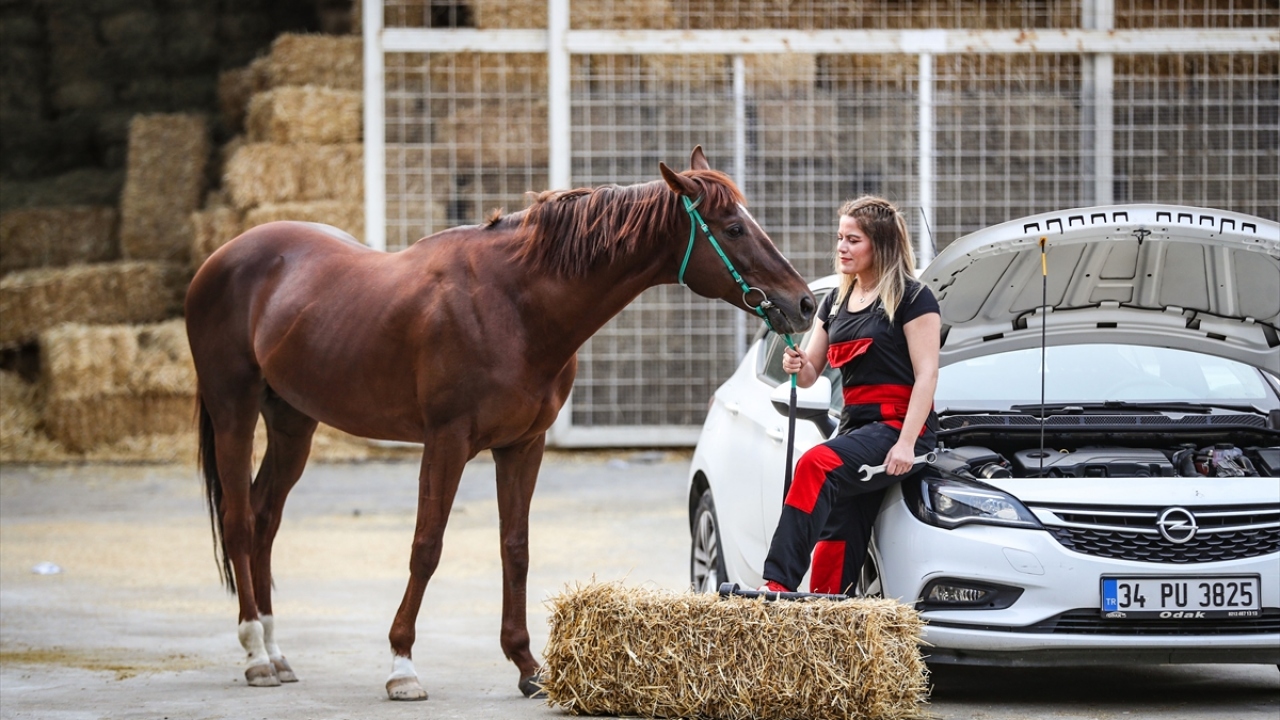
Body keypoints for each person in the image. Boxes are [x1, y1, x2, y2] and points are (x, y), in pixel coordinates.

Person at [760, 195, 941, 596]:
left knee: (816, 464)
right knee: (839, 529)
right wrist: (797, 364)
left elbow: (927, 375)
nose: (842, 247)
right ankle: (829, 612)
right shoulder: (835, 302)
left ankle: (776, 583)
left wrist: (906, 444)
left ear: (880, 244)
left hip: (897, 427)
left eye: (853, 239)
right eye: (840, 238)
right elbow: (810, 373)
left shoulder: (914, 298)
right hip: (855, 427)